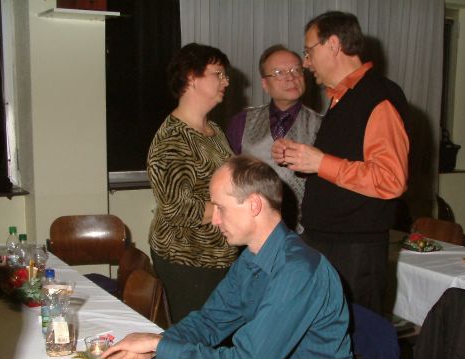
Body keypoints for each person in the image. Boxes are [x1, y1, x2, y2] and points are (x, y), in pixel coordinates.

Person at [103, 156, 357, 359]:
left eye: (220, 207)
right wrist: (157, 344)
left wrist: (160, 345)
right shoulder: (252, 258)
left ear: (254, 205)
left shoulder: (298, 271)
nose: (214, 219)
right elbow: (209, 322)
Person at [271, 11, 410, 313]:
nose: (306, 63)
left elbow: (390, 179)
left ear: (333, 45)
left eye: (309, 51)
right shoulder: (343, 97)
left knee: (356, 336)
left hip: (354, 253)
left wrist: (320, 162)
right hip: (330, 243)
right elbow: (346, 163)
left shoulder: (379, 96)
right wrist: (304, 159)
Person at [147, 43, 237, 321]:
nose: (226, 81)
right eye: (218, 74)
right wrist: (234, 211)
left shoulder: (214, 130)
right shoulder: (172, 138)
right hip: (188, 258)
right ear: (191, 77)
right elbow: (178, 208)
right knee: (196, 337)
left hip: (220, 256)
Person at [226, 45, 322, 233]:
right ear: (265, 84)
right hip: (250, 229)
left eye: (296, 70)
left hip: (304, 231)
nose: (291, 77)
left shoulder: (322, 125)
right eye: (279, 72)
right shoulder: (241, 122)